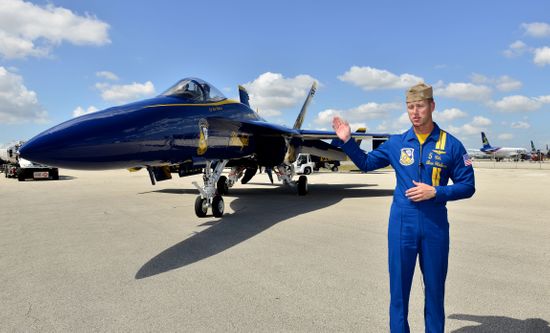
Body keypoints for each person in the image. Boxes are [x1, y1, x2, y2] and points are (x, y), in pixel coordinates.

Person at [332, 82, 475, 333]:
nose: (415, 112)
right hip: (401, 225)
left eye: (420, 106)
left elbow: (468, 185)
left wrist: (437, 192)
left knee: (434, 292)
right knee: (398, 292)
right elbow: (366, 163)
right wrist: (347, 141)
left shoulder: (451, 145)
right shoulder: (396, 143)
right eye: (410, 107)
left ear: (432, 106)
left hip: (435, 226)